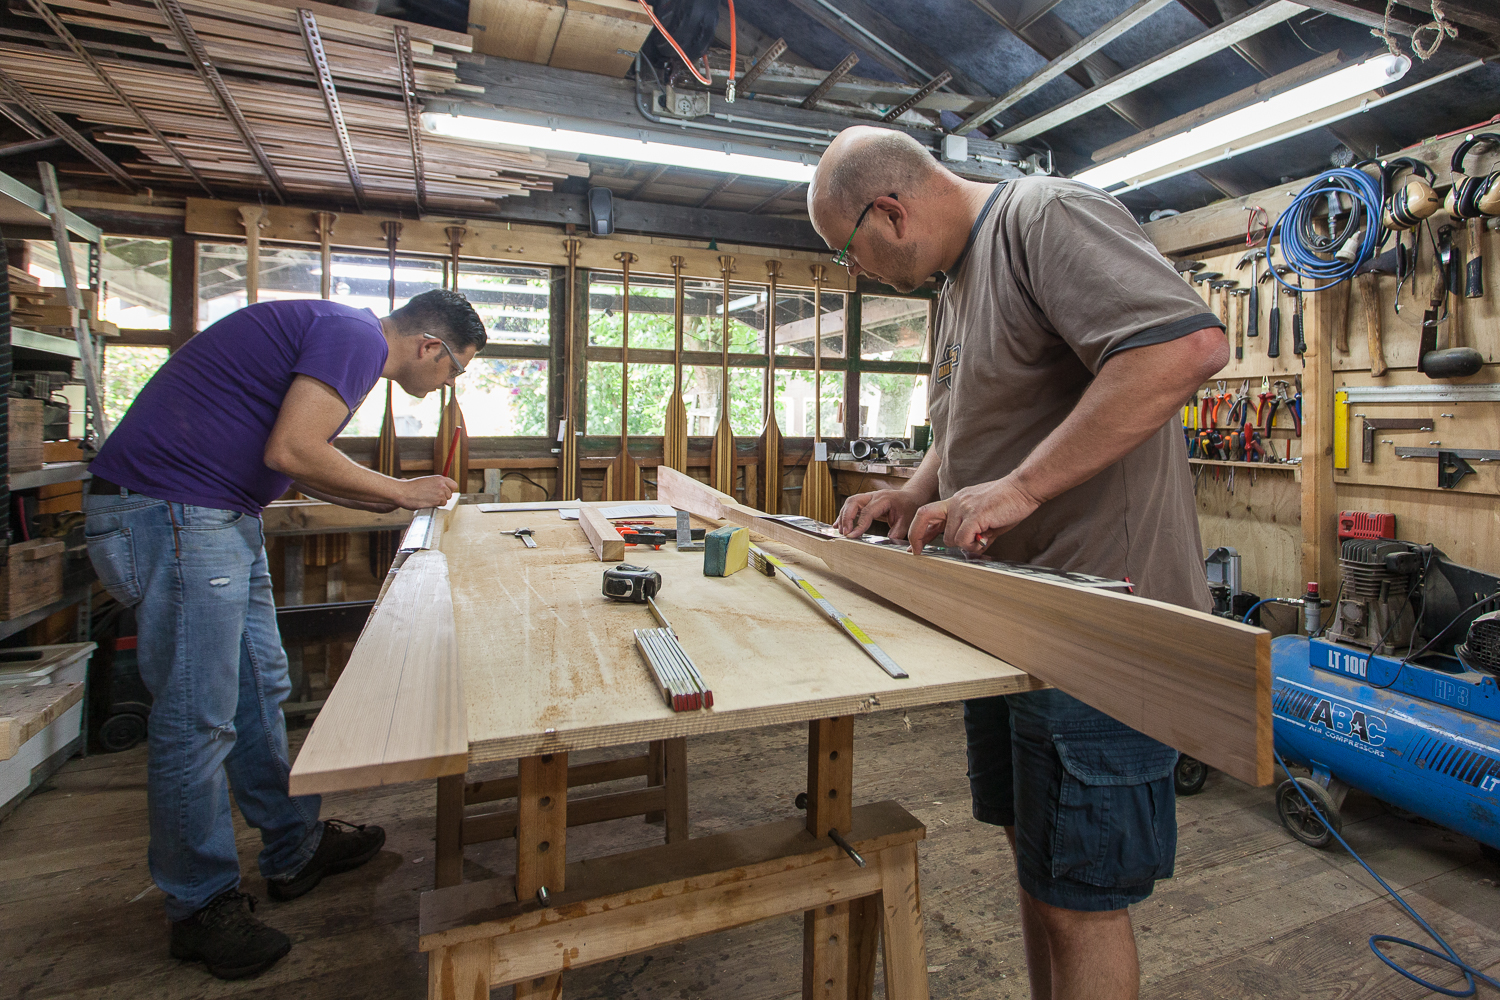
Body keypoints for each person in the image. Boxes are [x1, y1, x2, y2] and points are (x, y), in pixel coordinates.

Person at [809, 127, 1227, 1000]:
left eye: (849, 252)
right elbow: (967, 434)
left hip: (1100, 619)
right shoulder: (957, 288)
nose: (857, 274)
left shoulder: (1044, 216)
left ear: (890, 209)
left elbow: (1181, 351)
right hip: (1010, 618)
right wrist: (912, 491)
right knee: (1036, 865)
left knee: (1081, 901)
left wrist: (1023, 491)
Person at [84, 289, 486, 980]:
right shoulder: (355, 338)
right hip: (172, 512)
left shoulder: (344, 339)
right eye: (455, 369)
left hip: (214, 514)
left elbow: (304, 464)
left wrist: (394, 499)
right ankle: (199, 906)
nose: (449, 384)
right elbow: (294, 447)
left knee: (258, 689)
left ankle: (293, 847)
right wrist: (401, 489)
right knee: (196, 720)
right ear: (429, 346)